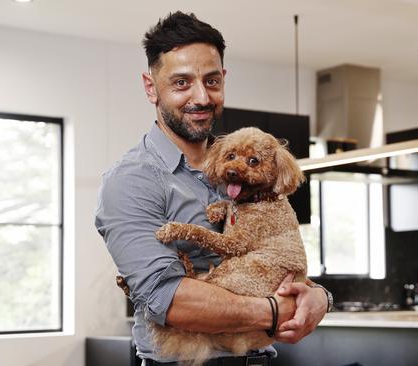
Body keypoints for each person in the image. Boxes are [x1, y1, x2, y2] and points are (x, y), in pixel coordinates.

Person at [95, 11, 332, 366]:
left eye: (212, 80)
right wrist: (271, 311)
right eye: (181, 83)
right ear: (151, 87)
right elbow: (168, 299)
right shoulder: (131, 181)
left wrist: (319, 297)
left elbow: (270, 260)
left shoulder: (249, 172)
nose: (201, 97)